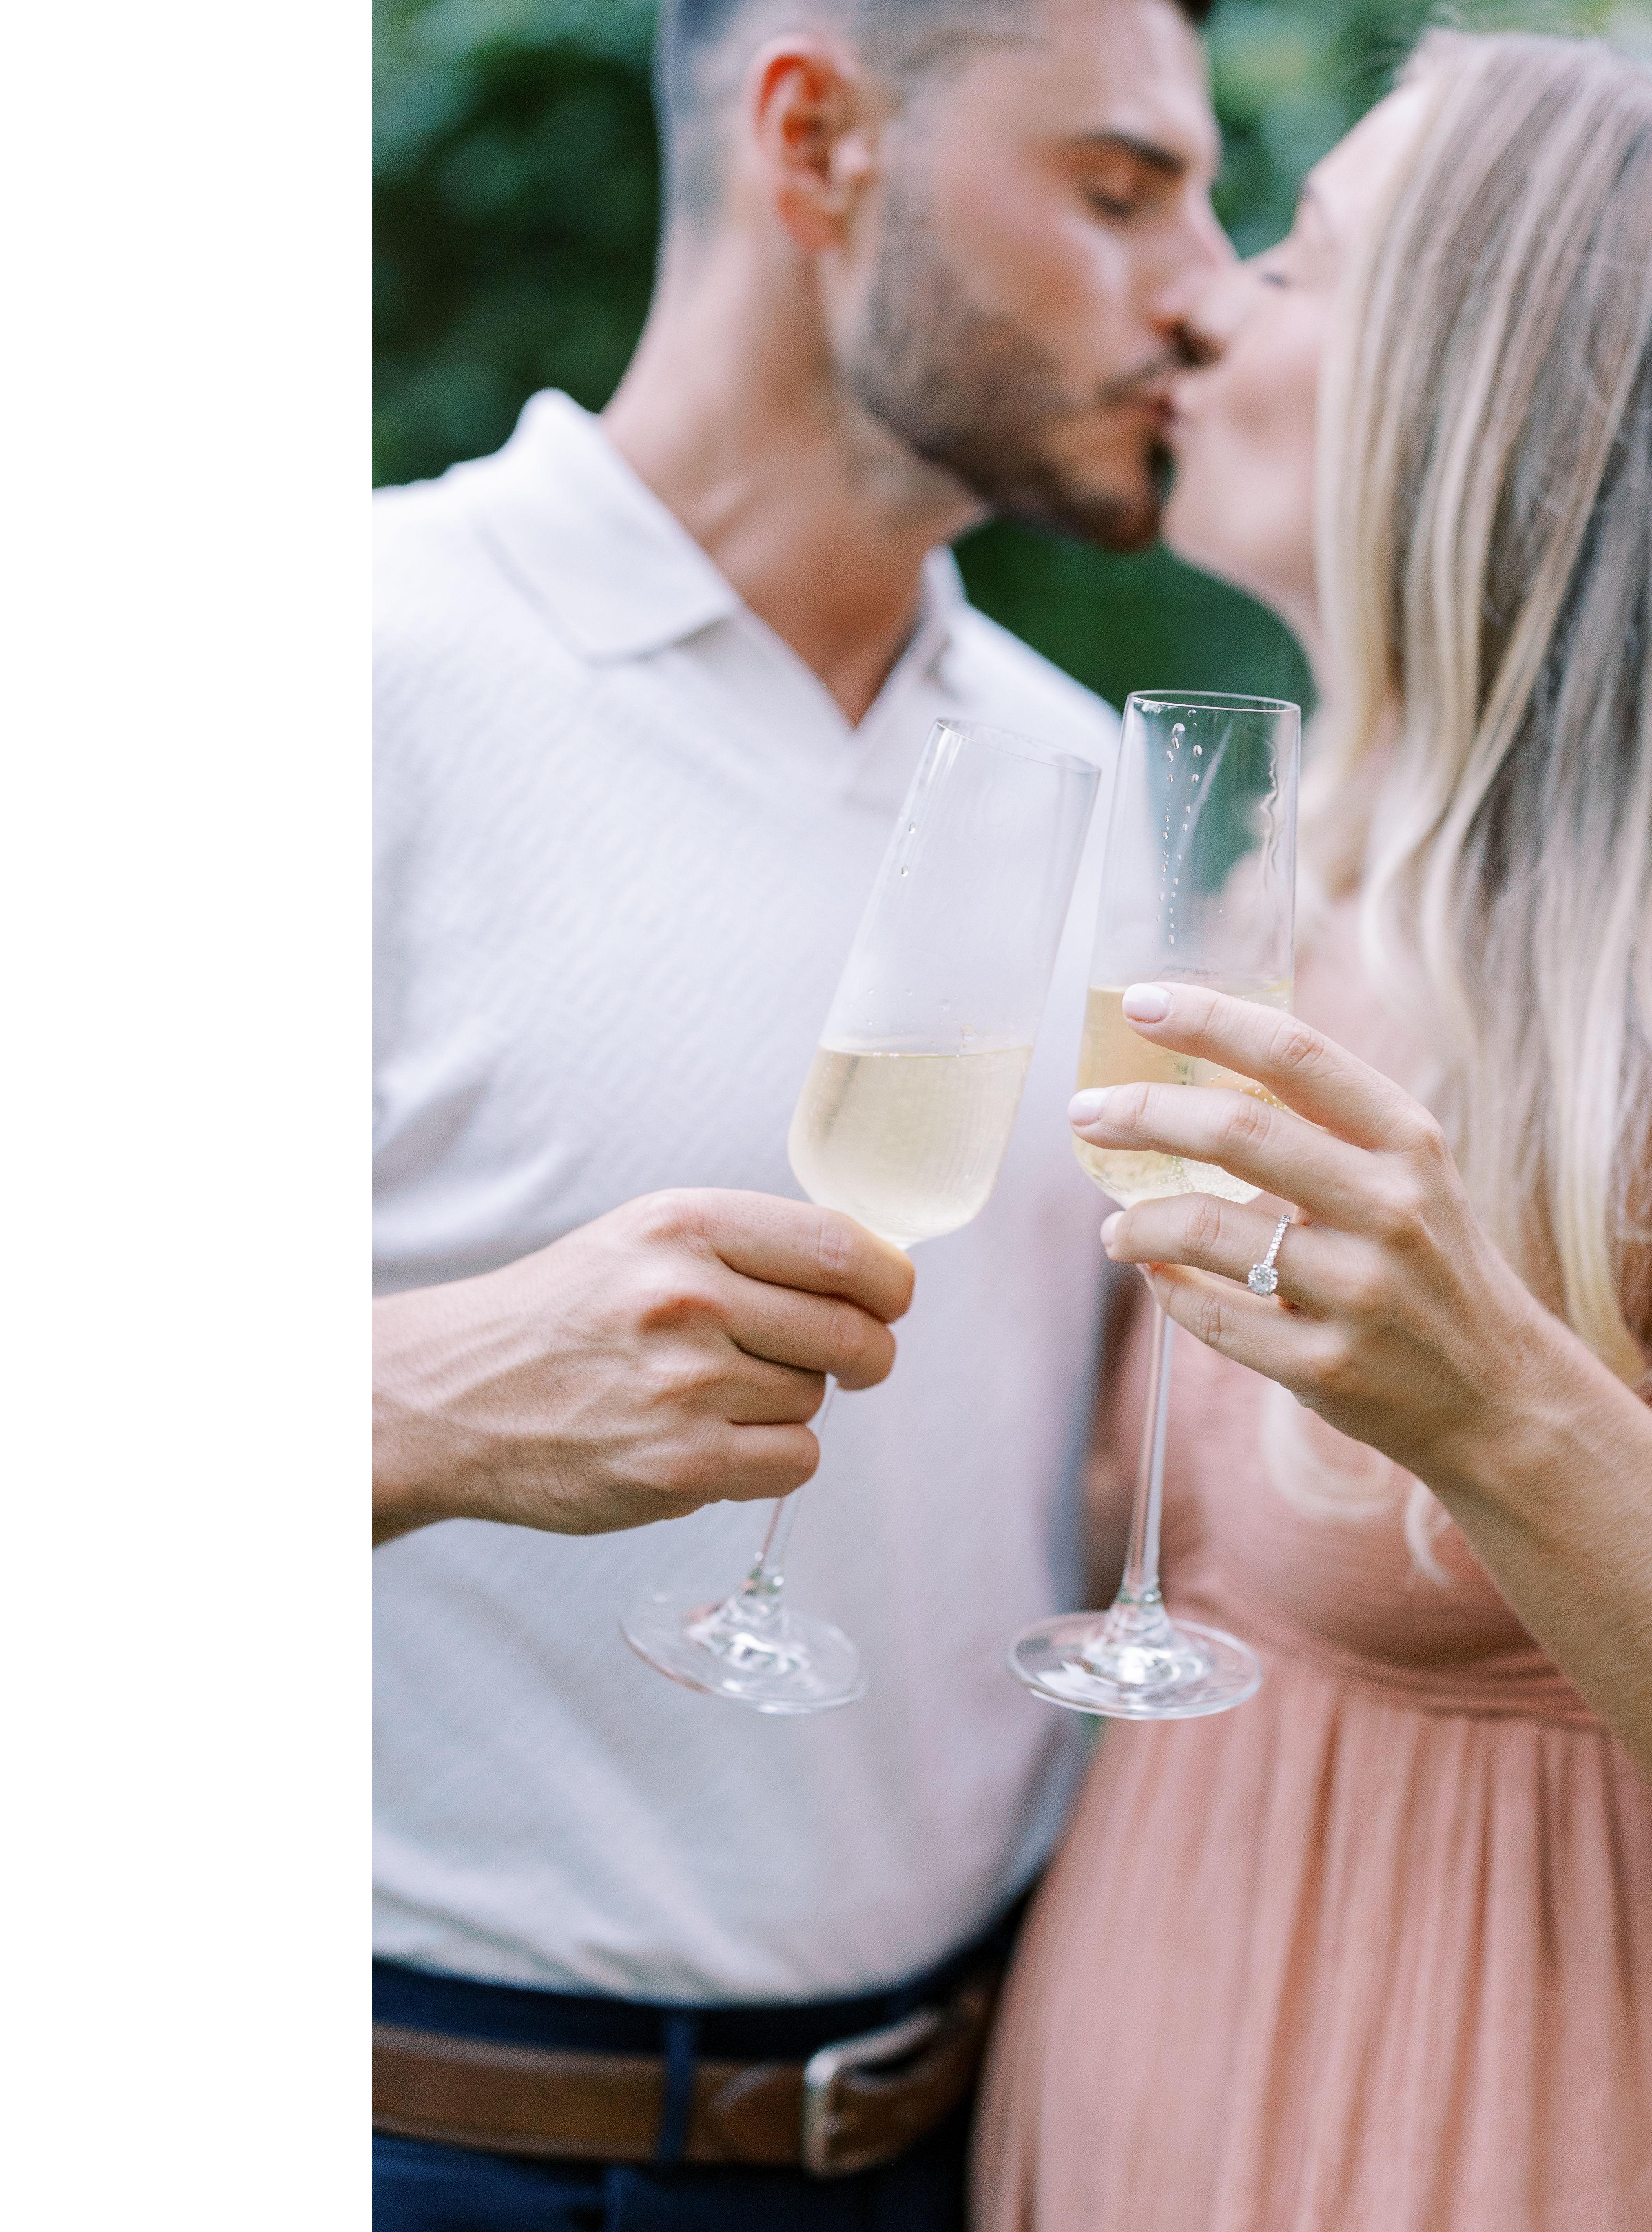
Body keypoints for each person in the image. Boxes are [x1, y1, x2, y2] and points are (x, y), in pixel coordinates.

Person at [975, 30, 1652, 2232]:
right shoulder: (1286, 904)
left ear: (1510, 389)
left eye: (1296, 259)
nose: (1201, 306)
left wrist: (1502, 1412)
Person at [371, 1, 1224, 2225]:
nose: (1206, 293)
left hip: (973, 2140)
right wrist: (410, 1406)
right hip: (428, 2145)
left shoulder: (1092, 777)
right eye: (1121, 190)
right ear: (817, 138)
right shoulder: (345, 659)